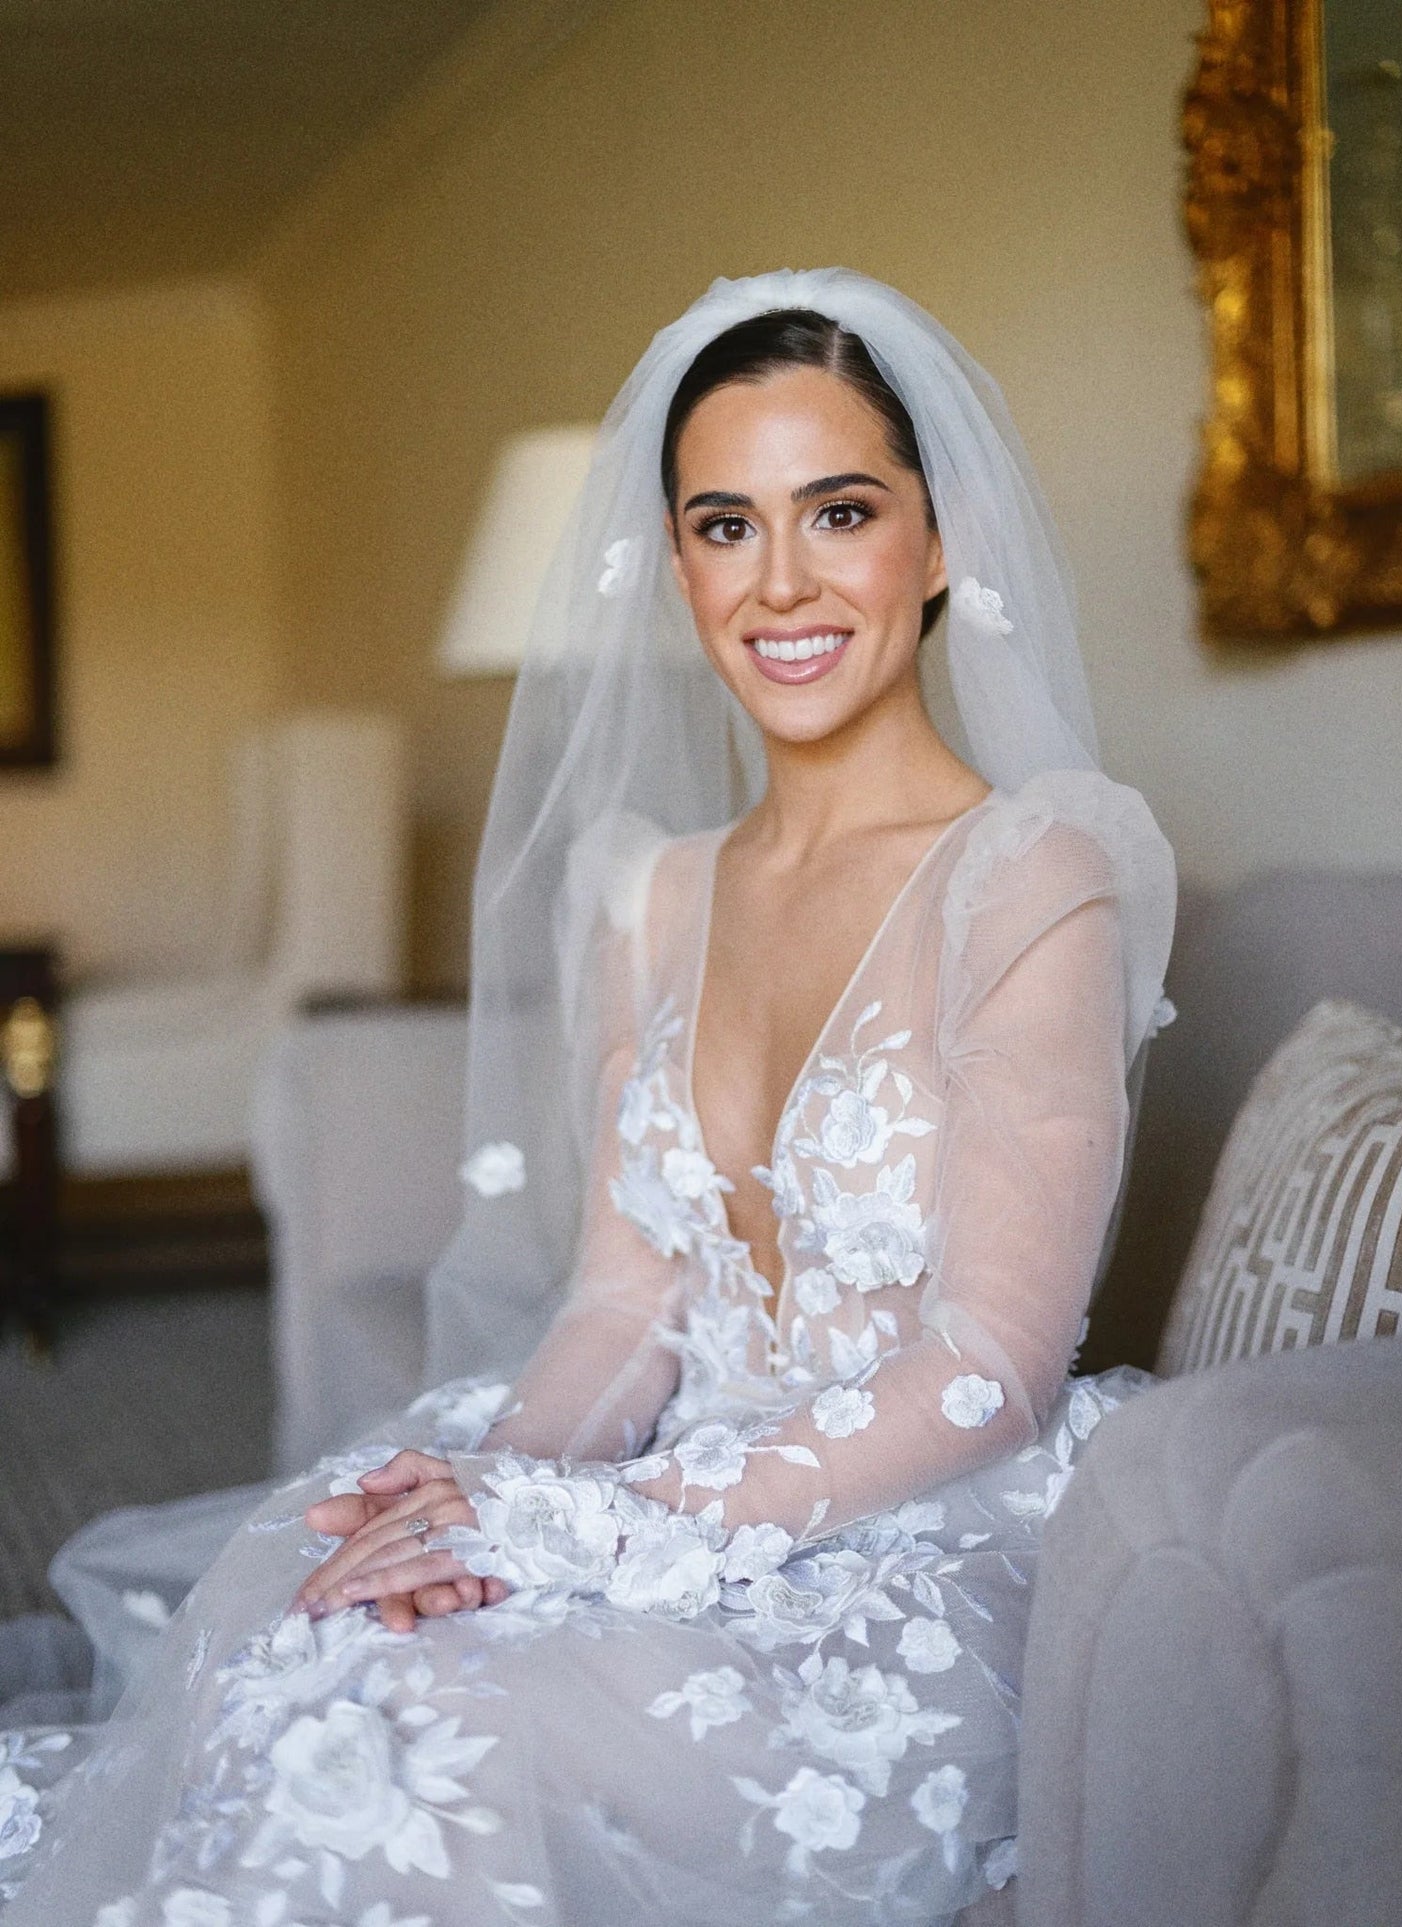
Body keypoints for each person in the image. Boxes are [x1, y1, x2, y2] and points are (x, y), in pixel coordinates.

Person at [0, 269, 1175, 1925]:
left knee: (428, 1732)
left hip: (910, 1534)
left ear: (941, 533)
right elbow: (630, 1299)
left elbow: (989, 1362)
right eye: (722, 524)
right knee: (317, 1627)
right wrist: (494, 1497)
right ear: (676, 562)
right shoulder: (652, 897)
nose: (779, 582)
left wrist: (598, 1526)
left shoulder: (1031, 871)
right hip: (658, 1470)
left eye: (838, 510)